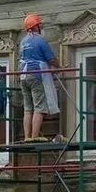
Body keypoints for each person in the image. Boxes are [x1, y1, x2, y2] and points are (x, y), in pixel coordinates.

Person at [19, 13, 61, 142]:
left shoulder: (23, 41)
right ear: (36, 26)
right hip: (36, 75)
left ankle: (27, 137)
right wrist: (58, 67)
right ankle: (34, 137)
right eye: (39, 25)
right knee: (40, 107)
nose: (40, 27)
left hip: (23, 76)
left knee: (28, 108)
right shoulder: (40, 40)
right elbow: (51, 59)